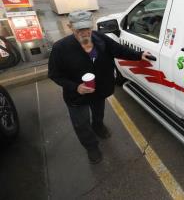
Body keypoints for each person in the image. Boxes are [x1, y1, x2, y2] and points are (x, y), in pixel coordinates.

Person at [48, 10, 149, 164]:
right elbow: (54, 74)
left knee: (98, 112)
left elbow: (119, 50)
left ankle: (98, 126)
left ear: (92, 25)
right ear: (70, 27)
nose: (84, 33)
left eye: (87, 28)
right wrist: (76, 87)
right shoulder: (60, 48)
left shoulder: (100, 39)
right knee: (81, 124)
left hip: (99, 90)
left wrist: (138, 55)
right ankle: (91, 146)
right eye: (79, 29)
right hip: (77, 96)